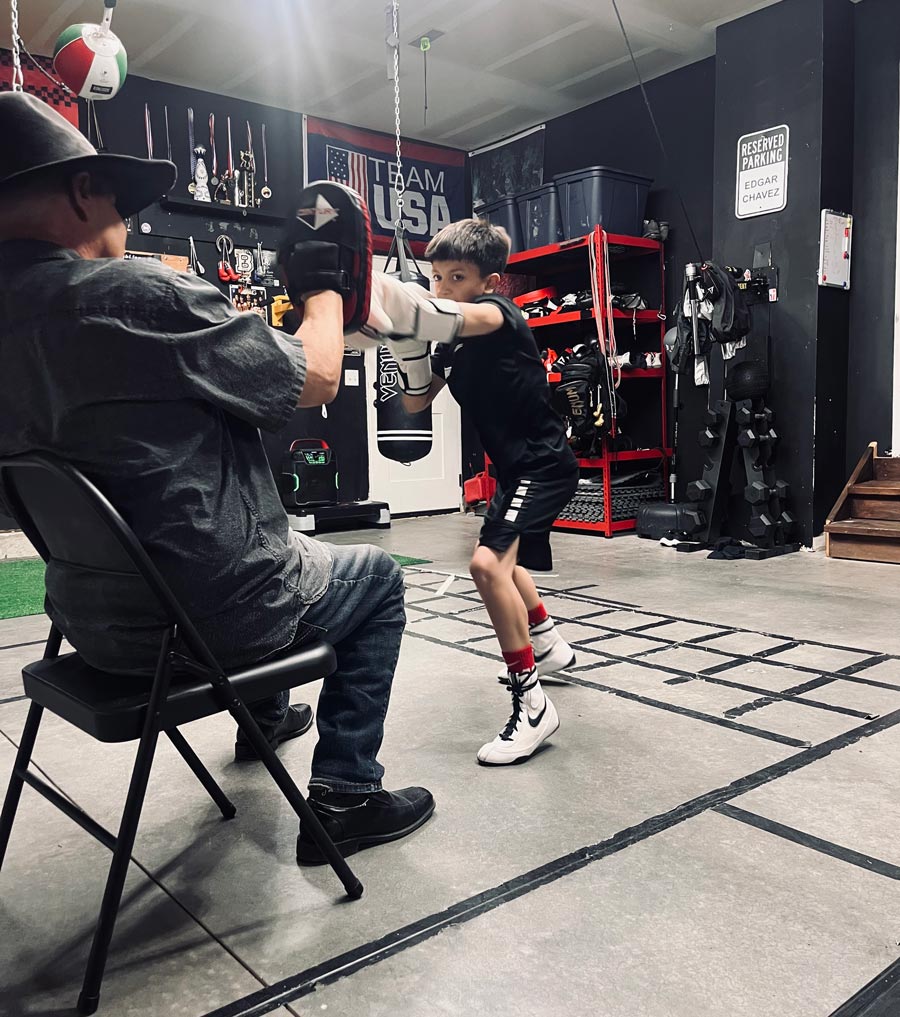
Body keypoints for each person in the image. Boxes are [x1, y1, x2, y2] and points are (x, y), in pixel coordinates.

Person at [0, 91, 434, 865]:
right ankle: (345, 795)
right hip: (205, 628)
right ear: (79, 192)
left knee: (227, 511)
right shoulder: (139, 295)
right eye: (117, 203)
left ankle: (265, 716)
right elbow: (322, 374)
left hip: (92, 627)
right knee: (374, 583)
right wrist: (323, 289)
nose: (126, 223)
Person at [352, 220, 579, 766]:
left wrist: (379, 296)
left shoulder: (499, 316)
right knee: (505, 560)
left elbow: (439, 315)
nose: (444, 287)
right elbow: (414, 405)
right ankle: (548, 644)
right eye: (436, 276)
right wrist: (408, 356)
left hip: (541, 466)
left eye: (457, 276)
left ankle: (532, 705)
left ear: (491, 282)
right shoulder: (453, 346)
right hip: (515, 469)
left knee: (486, 566)